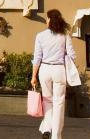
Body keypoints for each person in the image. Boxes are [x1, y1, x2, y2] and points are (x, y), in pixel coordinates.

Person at [31, 9, 76, 139]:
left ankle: (46, 128)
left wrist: (34, 76)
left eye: (47, 18)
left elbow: (37, 57)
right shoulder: (65, 35)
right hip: (59, 70)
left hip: (44, 69)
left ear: (50, 20)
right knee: (59, 103)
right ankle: (56, 136)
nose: (46, 20)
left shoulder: (40, 36)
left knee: (47, 101)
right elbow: (72, 55)